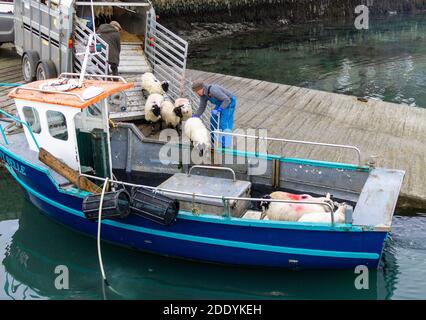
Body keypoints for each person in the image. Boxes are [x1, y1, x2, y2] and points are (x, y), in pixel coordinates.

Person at [192, 80, 237, 148]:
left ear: (201, 89)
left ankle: (226, 145)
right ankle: (213, 139)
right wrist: (196, 116)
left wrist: (219, 110)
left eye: (196, 91)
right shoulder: (203, 95)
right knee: (213, 118)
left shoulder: (213, 90)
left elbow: (227, 100)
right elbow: (202, 107)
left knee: (224, 123)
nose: (196, 93)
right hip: (221, 103)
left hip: (229, 103)